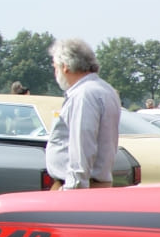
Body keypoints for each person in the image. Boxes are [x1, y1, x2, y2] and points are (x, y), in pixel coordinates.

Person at [45, 38, 120, 190]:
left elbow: (83, 143)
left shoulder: (83, 94)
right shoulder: (105, 89)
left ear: (65, 67)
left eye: (55, 67)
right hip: (94, 184)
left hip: (79, 186)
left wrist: (73, 188)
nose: (55, 72)